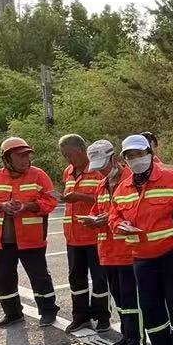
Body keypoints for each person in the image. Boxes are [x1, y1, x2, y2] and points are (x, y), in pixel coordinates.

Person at [115, 131, 173, 345]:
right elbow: (114, 214)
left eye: (140, 154)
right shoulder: (123, 188)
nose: (135, 159)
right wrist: (118, 225)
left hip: (171, 253)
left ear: (150, 154)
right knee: (150, 306)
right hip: (141, 256)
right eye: (130, 156)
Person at [0, 137, 60, 328]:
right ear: (7, 158)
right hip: (2, 241)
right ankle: (12, 313)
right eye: (19, 156)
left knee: (39, 277)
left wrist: (28, 206)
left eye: (27, 155)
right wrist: (1, 205)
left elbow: (52, 201)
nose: (25, 159)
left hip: (31, 240)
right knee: (3, 278)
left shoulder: (39, 175)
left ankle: (48, 311)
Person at [85, 140, 143, 345]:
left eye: (104, 166)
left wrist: (105, 218)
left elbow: (135, 212)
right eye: (98, 168)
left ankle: (137, 340)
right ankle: (127, 335)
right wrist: (92, 219)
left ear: (115, 159)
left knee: (131, 299)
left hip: (127, 250)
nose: (101, 171)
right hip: (107, 251)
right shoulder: (102, 184)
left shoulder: (132, 180)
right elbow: (96, 210)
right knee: (118, 298)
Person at [58, 133, 110, 334]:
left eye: (69, 154)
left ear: (81, 150)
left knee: (99, 279)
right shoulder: (68, 172)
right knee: (76, 279)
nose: (67, 159)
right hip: (72, 237)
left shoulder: (98, 171)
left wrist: (79, 196)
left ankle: (102, 316)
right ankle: (80, 316)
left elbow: (105, 200)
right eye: (64, 155)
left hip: (93, 235)